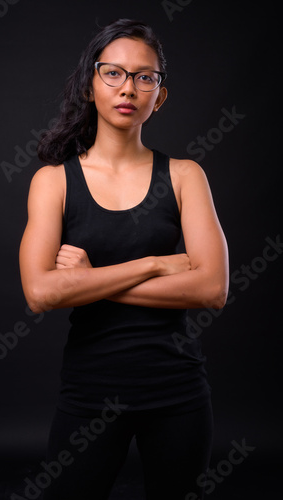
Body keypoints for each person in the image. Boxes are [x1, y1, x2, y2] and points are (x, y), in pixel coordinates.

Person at [19, 18, 229, 500]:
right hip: (90, 390)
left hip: (177, 389)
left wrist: (90, 281)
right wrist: (153, 264)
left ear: (160, 96)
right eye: (113, 73)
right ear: (90, 85)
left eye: (145, 77)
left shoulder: (184, 175)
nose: (128, 87)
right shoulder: (53, 182)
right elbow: (39, 293)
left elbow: (212, 290)